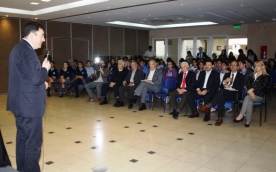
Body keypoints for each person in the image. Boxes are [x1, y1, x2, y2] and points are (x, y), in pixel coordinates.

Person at [6, 21, 50, 172]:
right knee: (33, 144)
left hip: (20, 105)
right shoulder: (28, 51)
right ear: (33, 34)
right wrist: (45, 68)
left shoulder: (17, 48)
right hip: (30, 107)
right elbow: (37, 77)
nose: (43, 40)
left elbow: (24, 78)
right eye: (42, 35)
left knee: (23, 142)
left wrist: (39, 86)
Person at [198, 61, 245, 126]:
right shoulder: (227, 74)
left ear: (238, 67)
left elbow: (241, 87)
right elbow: (221, 86)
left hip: (235, 94)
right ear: (230, 66)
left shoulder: (241, 76)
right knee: (221, 97)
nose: (233, 67)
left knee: (222, 92)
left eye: (235, 65)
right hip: (225, 93)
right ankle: (220, 118)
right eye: (231, 65)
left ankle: (209, 106)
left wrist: (230, 87)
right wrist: (224, 81)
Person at [233, 61, 270, 127]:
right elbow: (248, 84)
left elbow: (263, 86)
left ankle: (241, 115)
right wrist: (251, 92)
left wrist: (253, 89)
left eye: (258, 65)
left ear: (262, 66)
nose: (256, 67)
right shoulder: (252, 75)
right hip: (251, 95)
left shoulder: (266, 76)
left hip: (260, 95)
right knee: (249, 101)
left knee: (247, 97)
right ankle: (248, 120)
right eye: (255, 66)